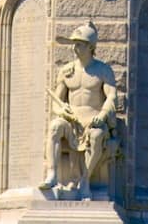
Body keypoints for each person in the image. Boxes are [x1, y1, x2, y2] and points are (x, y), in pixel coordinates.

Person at [40, 22, 119, 199]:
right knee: (54, 126)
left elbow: (112, 97)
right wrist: (62, 111)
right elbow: (56, 103)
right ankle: (52, 174)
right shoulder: (66, 71)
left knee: (98, 135)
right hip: (71, 120)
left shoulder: (102, 70)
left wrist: (102, 115)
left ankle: (85, 181)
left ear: (91, 47)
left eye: (80, 44)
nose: (75, 48)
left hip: (93, 119)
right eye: (74, 44)